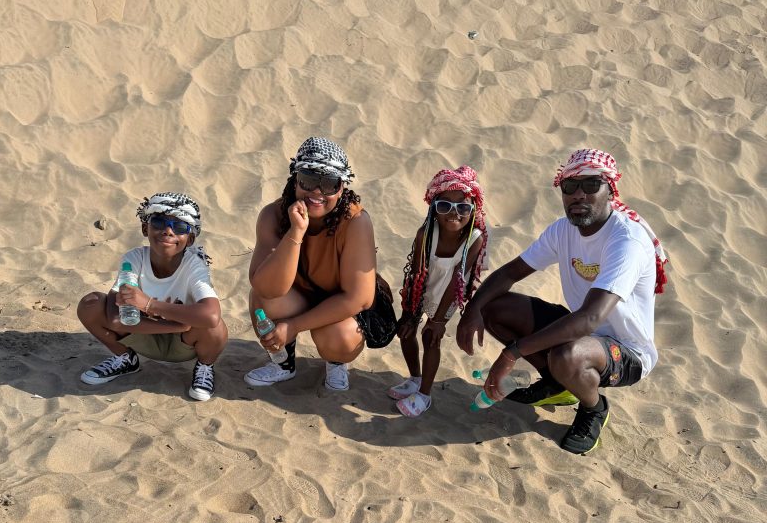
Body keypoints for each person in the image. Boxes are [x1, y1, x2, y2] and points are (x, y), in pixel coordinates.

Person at [457, 148, 668, 454]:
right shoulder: (563, 230)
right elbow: (511, 272)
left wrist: (511, 354)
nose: (579, 194)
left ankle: (593, 408)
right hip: (581, 334)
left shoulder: (627, 241)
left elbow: (590, 319)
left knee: (567, 355)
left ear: (610, 191)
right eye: (570, 186)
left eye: (591, 184)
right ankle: (558, 384)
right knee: (495, 308)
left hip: (627, 351)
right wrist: (473, 310)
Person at [244, 136, 376, 391]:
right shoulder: (274, 215)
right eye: (309, 179)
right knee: (264, 299)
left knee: (340, 338)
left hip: (339, 304)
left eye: (329, 184)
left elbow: (359, 298)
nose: (317, 192)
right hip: (298, 295)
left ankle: (336, 363)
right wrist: (295, 232)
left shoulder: (356, 222)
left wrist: (293, 326)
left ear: (341, 188)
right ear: (295, 179)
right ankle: (283, 362)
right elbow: (265, 285)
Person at [77, 192, 227, 401]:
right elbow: (114, 319)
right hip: (145, 335)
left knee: (216, 327)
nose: (168, 231)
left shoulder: (194, 265)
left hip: (183, 344)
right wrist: (176, 325)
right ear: (145, 228)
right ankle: (125, 358)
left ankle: (204, 367)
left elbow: (211, 316)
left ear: (190, 239)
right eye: (158, 222)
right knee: (91, 304)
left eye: (180, 227)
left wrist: (148, 304)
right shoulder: (134, 259)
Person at [389, 165, 488, 418]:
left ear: (473, 209)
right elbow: (415, 272)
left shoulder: (474, 239)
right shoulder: (425, 233)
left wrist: (438, 321)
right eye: (444, 206)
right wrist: (410, 312)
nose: (454, 213)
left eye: (462, 207)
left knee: (430, 337)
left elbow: (457, 280)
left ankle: (424, 394)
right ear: (434, 208)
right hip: (422, 287)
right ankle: (414, 378)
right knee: (406, 331)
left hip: (450, 294)